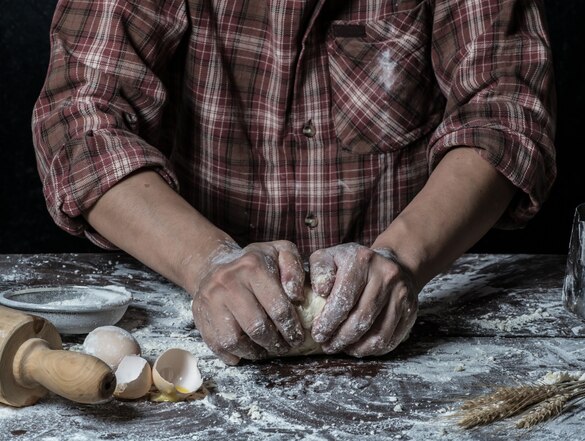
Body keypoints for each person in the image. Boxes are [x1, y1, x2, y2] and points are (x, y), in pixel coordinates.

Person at [32, 0, 556, 365]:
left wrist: (404, 259)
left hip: (409, 315)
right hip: (197, 314)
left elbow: (505, 114)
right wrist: (205, 262)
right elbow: (79, 121)